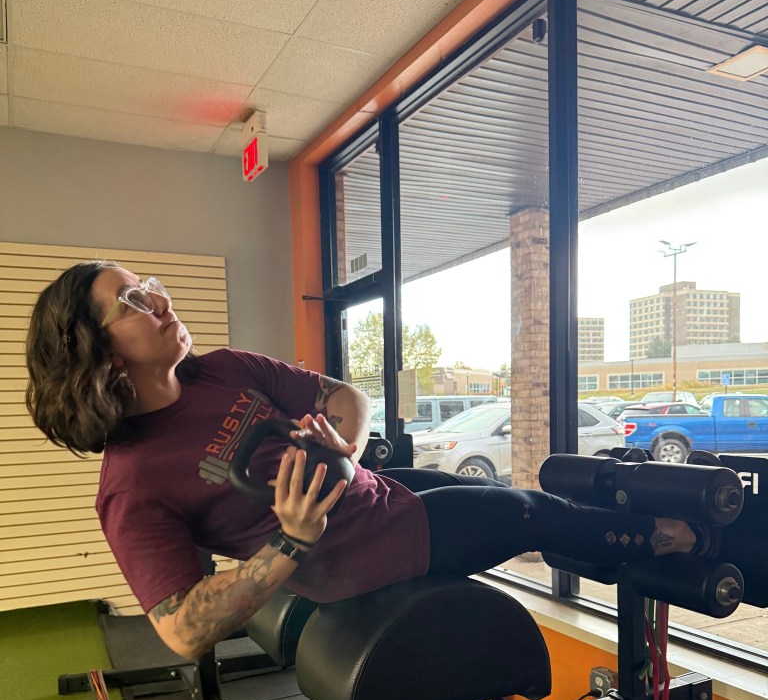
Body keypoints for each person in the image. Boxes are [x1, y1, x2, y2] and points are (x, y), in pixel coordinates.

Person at [27, 261, 699, 661]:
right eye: (134, 301)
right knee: (528, 511)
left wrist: (340, 445)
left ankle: (614, 539)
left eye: (148, 284)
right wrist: (290, 541)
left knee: (510, 502)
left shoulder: (221, 369)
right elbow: (180, 630)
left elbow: (344, 397)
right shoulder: (132, 483)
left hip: (375, 499)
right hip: (349, 559)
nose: (161, 299)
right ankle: (678, 538)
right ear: (103, 352)